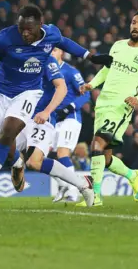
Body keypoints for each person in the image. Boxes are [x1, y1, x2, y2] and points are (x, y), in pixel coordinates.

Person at [0, 4, 112, 208]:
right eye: (21, 28)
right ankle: (20, 165)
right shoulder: (5, 38)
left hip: (32, 102)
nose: (24, 33)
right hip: (2, 95)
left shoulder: (50, 55)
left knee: (22, 150)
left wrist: (90, 57)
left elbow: (63, 73)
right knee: (4, 147)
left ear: (40, 26)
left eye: (29, 29)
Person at [0, 53, 93, 208]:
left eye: (54, 48)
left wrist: (48, 111)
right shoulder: (19, 57)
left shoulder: (49, 62)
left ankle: (82, 183)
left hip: (41, 119)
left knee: (34, 162)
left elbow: (62, 88)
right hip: (21, 115)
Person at [75, 9, 138, 207]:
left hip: (120, 107)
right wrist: (92, 84)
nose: (135, 26)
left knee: (97, 145)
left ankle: (94, 196)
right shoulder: (118, 45)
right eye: (133, 22)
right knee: (105, 158)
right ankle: (133, 176)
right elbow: (107, 70)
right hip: (103, 103)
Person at [49, 48, 91, 203]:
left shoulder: (70, 71)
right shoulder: (46, 70)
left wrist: (70, 107)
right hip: (53, 119)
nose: (51, 53)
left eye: (54, 50)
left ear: (61, 53)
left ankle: (74, 191)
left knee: (62, 153)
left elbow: (85, 93)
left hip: (70, 117)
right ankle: (62, 185)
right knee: (40, 156)